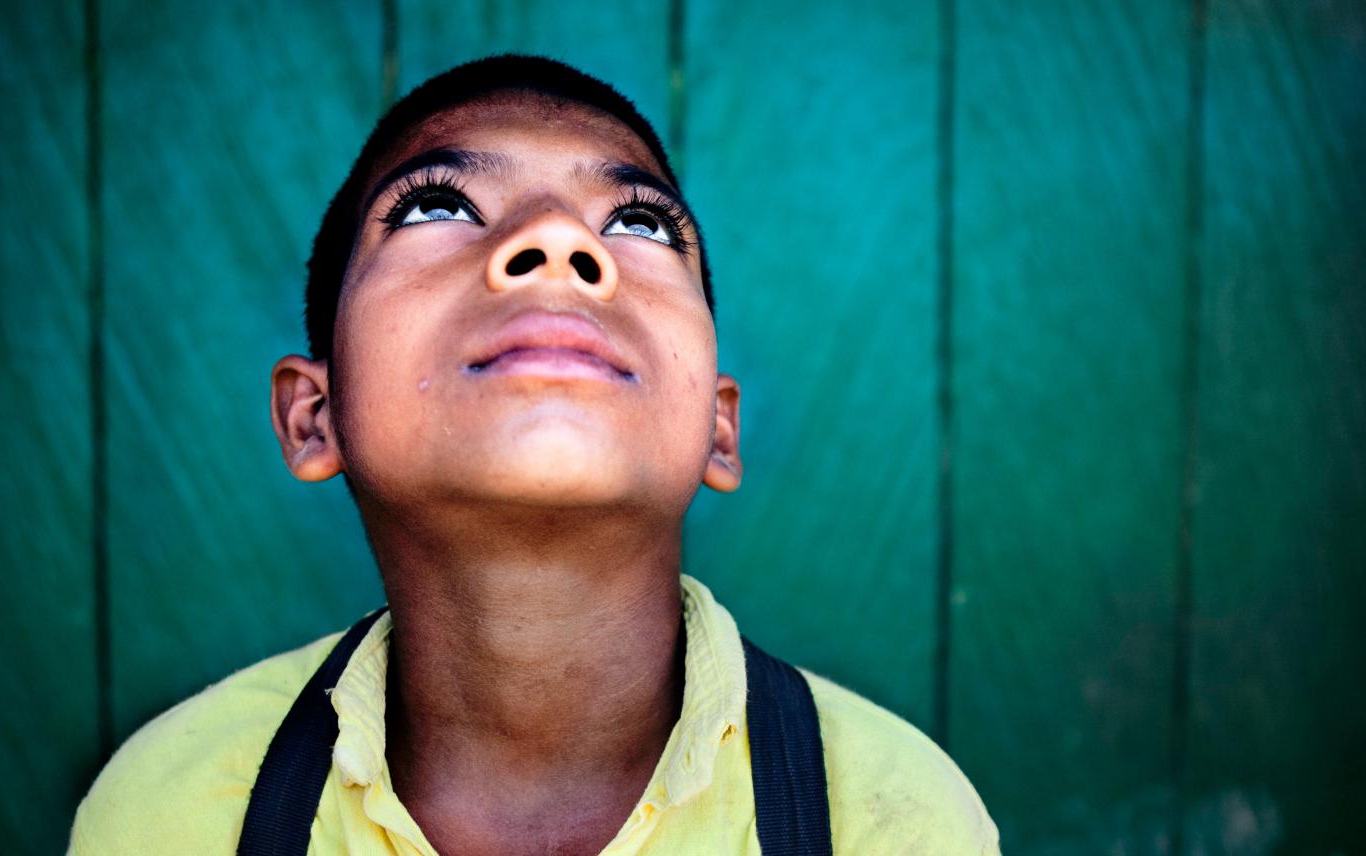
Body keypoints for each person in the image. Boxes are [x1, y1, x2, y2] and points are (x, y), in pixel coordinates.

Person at [69, 55, 997, 855]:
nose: (558, 241)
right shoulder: (178, 809)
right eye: (437, 205)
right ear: (315, 416)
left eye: (637, 224)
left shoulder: (893, 815)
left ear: (719, 426)